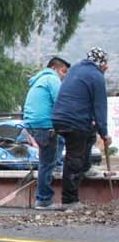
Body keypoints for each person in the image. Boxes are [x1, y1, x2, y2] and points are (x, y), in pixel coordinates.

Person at [51, 47, 111, 210]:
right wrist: (104, 133)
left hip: (59, 118)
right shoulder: (96, 76)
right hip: (73, 121)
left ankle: (85, 168)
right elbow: (100, 107)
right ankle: (69, 200)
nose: (107, 67)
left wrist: (97, 130)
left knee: (89, 135)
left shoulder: (76, 68)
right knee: (74, 158)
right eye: (105, 64)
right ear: (101, 63)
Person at [22, 56, 70, 209]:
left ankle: (57, 164)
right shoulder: (52, 79)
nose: (64, 76)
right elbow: (61, 102)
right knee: (46, 163)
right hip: (44, 125)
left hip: (33, 124)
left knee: (60, 140)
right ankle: (43, 199)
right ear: (55, 68)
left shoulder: (39, 80)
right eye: (63, 72)